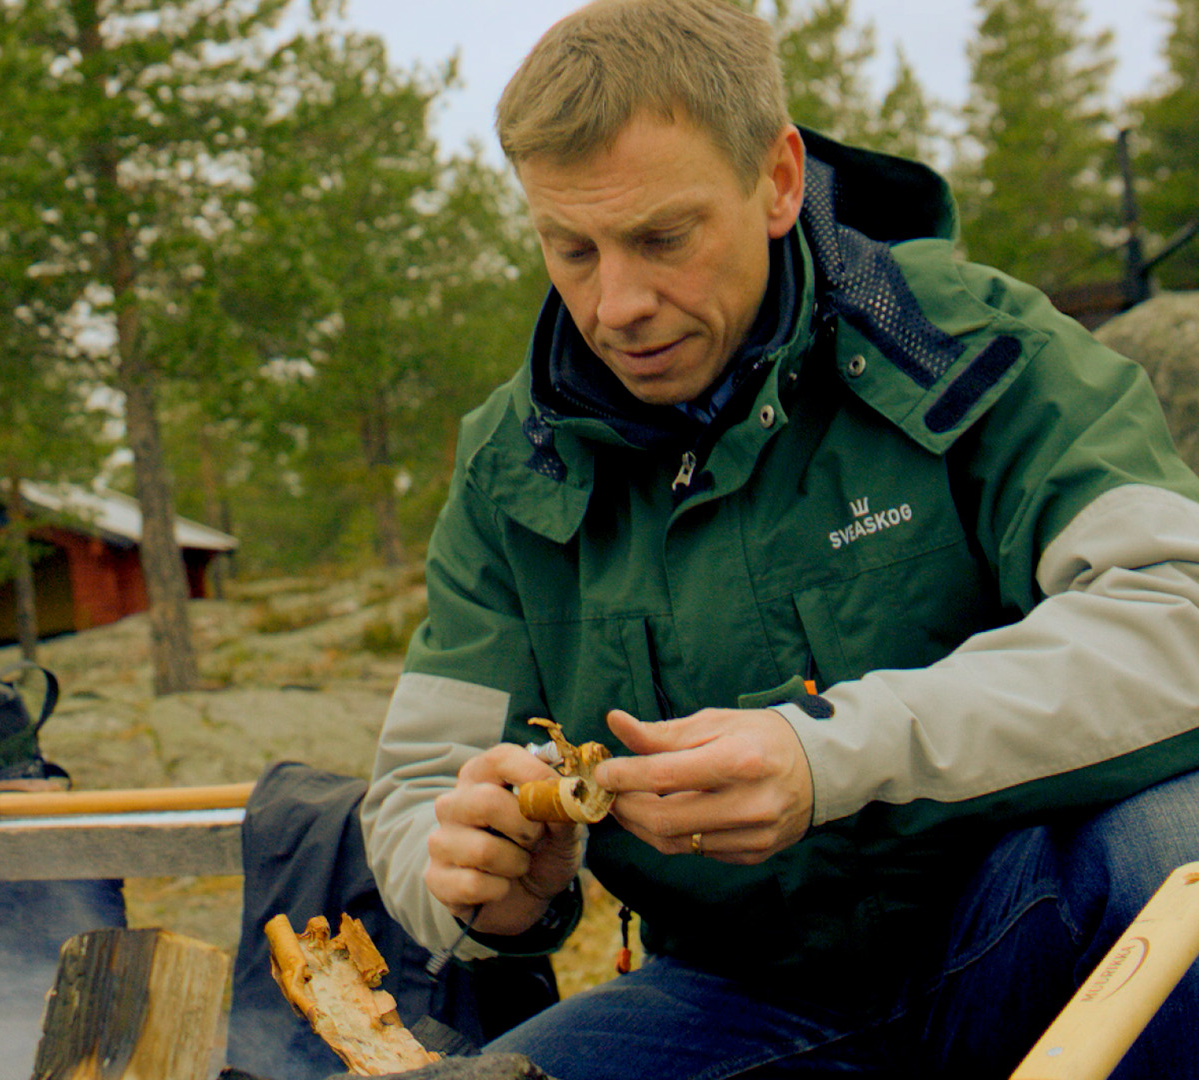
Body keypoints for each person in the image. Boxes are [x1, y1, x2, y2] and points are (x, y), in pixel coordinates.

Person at [359, 0, 1199, 1075]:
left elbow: (1177, 616)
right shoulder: (510, 467)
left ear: (779, 180)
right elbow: (416, 789)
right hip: (734, 991)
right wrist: (478, 884)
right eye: (571, 248)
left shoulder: (971, 348)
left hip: (1020, 925)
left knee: (1178, 851)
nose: (617, 305)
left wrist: (835, 754)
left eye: (662, 238)